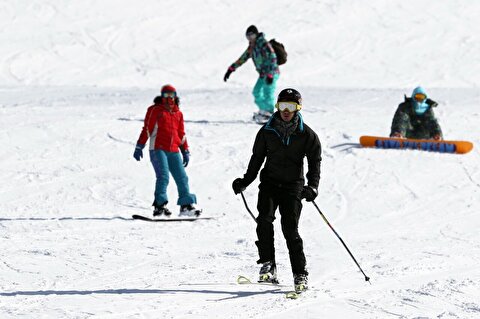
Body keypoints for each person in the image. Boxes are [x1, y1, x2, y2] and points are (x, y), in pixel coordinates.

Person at [231, 88, 322, 294]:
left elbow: (314, 161)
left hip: (293, 187)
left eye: (291, 106)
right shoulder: (266, 131)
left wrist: (313, 186)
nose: (286, 111)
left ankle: (300, 274)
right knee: (264, 220)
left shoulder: (307, 134)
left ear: (298, 108)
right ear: (277, 107)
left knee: (290, 229)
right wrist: (246, 181)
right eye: (282, 106)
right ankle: (268, 265)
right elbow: (257, 159)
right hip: (270, 184)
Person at [133, 84, 201, 217]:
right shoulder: (155, 110)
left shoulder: (178, 113)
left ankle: (186, 207)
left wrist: (185, 150)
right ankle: (159, 207)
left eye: (172, 95)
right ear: (162, 96)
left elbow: (181, 134)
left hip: (174, 150)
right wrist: (139, 145)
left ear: (176, 96)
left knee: (182, 178)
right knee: (163, 176)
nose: (169, 98)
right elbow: (147, 129)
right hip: (158, 149)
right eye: (166, 95)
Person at [223, 25, 280, 122]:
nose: (249, 38)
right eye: (247, 36)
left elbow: (273, 58)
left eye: (251, 35)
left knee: (268, 93)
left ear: (256, 34)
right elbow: (243, 58)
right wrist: (231, 69)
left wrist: (270, 74)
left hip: (272, 72)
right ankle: (264, 110)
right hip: (263, 74)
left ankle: (269, 113)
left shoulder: (264, 44)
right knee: (256, 92)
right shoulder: (252, 47)